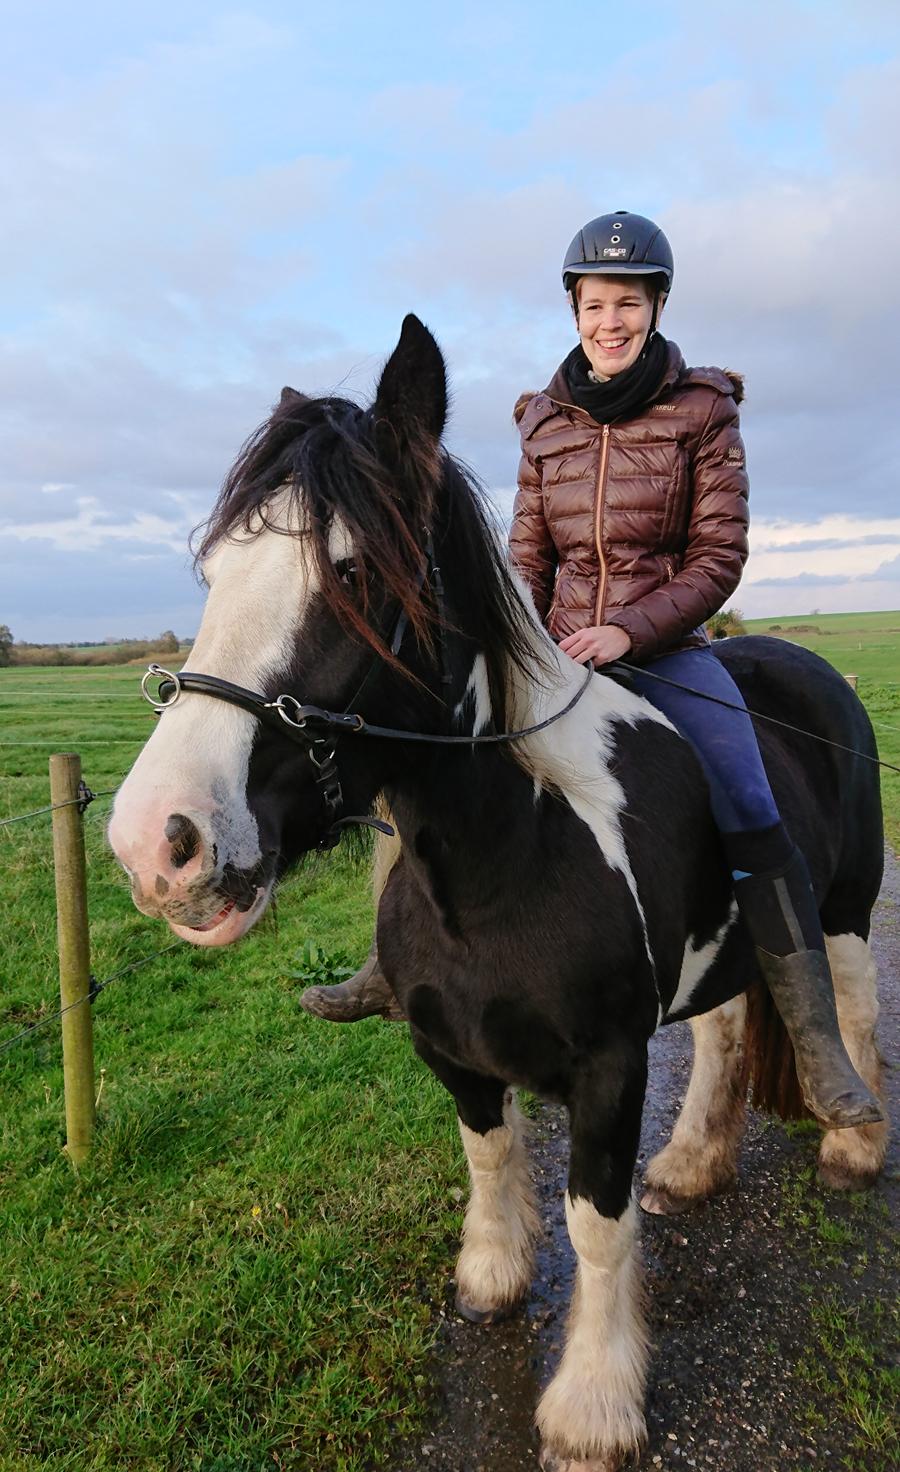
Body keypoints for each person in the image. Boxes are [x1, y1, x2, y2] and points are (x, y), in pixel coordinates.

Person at [301, 210, 879, 1131]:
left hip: (669, 650)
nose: (611, 322)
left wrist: (629, 632)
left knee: (746, 791)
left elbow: (716, 558)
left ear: (656, 306)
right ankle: (393, 963)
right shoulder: (544, 421)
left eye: (629, 303)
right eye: (595, 303)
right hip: (555, 649)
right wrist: (519, 635)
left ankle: (818, 1047)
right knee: (429, 771)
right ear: (575, 309)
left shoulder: (703, 410)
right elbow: (524, 556)